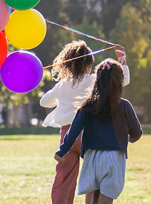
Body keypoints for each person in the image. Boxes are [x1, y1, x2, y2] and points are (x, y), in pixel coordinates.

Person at [40, 40, 130, 204]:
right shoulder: (94, 80)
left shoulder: (63, 84)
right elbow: (123, 81)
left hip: (67, 135)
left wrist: (62, 98)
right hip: (89, 134)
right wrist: (122, 60)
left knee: (64, 176)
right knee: (95, 175)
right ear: (89, 63)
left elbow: (44, 102)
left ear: (68, 64)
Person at [54, 58, 142, 204]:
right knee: (106, 197)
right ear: (120, 82)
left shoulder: (87, 105)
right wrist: (129, 138)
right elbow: (136, 133)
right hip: (114, 157)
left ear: (97, 80)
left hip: (91, 157)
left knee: (92, 198)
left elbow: (74, 130)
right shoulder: (124, 105)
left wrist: (62, 151)